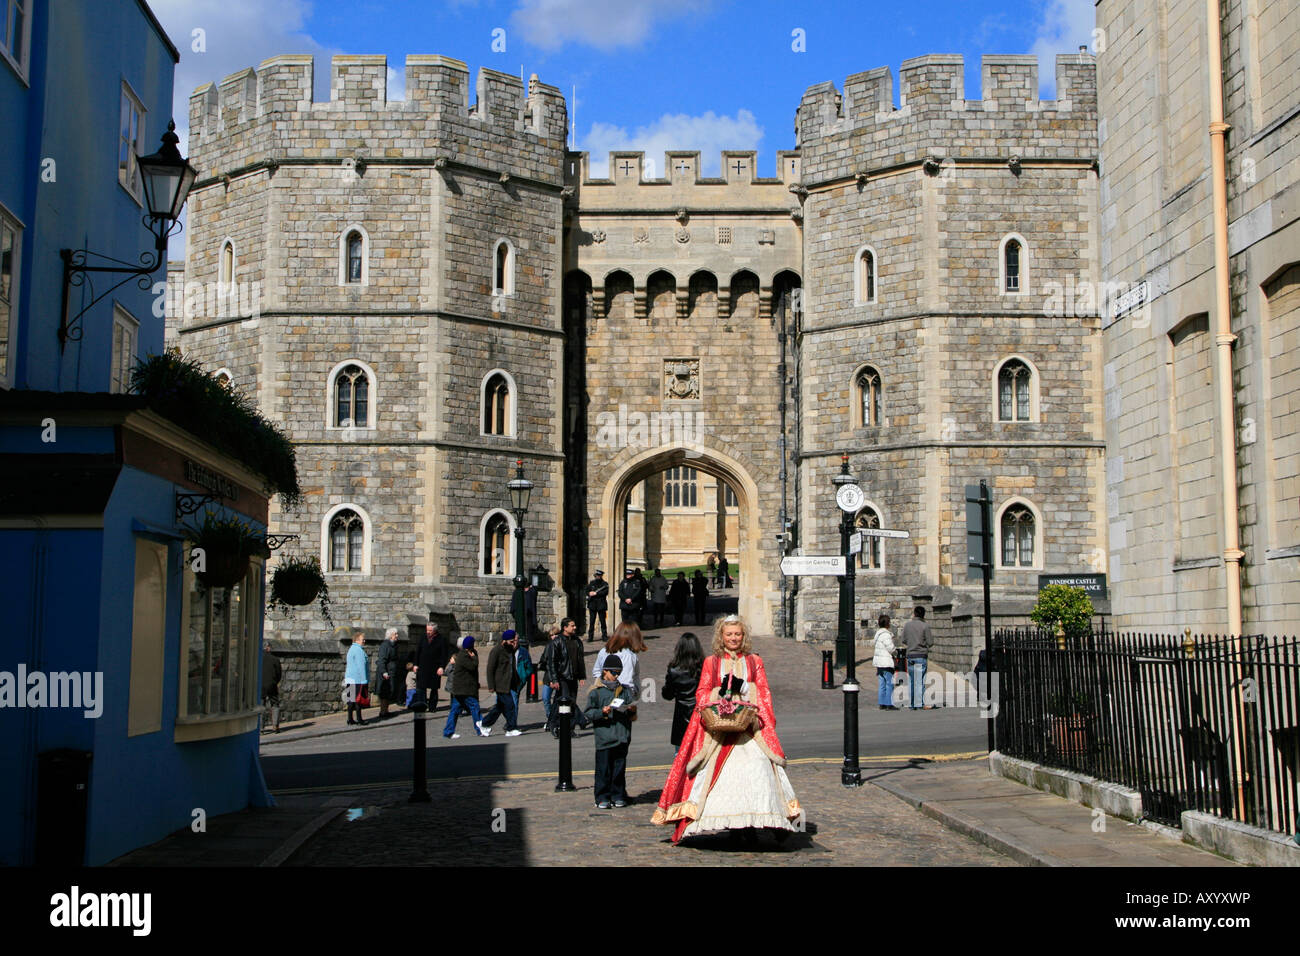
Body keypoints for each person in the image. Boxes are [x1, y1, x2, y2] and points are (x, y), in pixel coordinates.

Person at [652, 615, 802, 844]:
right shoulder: (711, 662)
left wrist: (746, 694)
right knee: (722, 779)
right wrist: (719, 696)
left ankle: (756, 823)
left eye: (737, 634)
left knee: (757, 771)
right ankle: (733, 827)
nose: (734, 638)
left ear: (744, 636)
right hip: (719, 731)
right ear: (721, 637)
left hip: (749, 730)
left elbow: (763, 692)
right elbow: (702, 691)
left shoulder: (754, 661)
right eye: (729, 634)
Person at [584, 656, 633, 809]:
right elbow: (588, 713)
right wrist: (602, 712)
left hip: (621, 735)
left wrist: (630, 710)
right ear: (605, 671)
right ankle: (602, 797)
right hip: (604, 737)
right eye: (614, 672)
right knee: (603, 770)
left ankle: (618, 795)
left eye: (619, 672)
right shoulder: (596, 692)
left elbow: (631, 706)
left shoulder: (624, 690)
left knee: (619, 769)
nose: (616, 676)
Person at [662, 632, 704, 750]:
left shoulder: (674, 670)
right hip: (700, 714)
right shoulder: (703, 668)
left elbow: (667, 695)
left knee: (680, 754)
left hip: (681, 717)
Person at [443, 635, 488, 739]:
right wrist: (474, 658)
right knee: (474, 707)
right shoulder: (463, 655)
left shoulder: (470, 653)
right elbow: (473, 666)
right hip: (464, 689)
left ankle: (448, 731)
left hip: (463, 688)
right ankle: (481, 729)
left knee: (455, 710)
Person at [481, 630, 523, 736]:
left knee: (499, 707)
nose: (513, 643)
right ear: (504, 641)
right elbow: (490, 669)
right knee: (510, 705)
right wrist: (491, 686)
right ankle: (511, 727)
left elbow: (512, 667)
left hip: (509, 683)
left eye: (514, 641)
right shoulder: (496, 651)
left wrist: (516, 681)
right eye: (511, 641)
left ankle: (484, 723)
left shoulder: (510, 650)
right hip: (500, 684)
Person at [557, 617, 590, 733]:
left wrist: (582, 676)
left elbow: (580, 660)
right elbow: (552, 661)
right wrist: (553, 679)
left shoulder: (577, 641)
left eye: (574, 625)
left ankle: (570, 728)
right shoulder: (558, 641)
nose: (575, 627)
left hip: (574, 676)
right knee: (566, 701)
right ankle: (567, 725)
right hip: (563, 677)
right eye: (572, 625)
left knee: (572, 701)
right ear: (565, 628)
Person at [411, 622, 451, 712]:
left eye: (430, 630)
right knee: (421, 687)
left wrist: (442, 667)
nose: (428, 632)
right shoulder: (423, 637)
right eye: (427, 630)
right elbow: (418, 651)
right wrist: (415, 664)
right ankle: (422, 705)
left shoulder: (441, 639)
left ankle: (432, 706)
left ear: (435, 630)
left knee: (434, 688)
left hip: (435, 667)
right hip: (422, 666)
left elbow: (444, 655)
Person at [900, 606, 934, 710]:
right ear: (923, 615)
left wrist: (911, 643)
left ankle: (911, 703)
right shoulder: (925, 626)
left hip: (910, 655)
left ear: (914, 614)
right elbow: (930, 642)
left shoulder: (907, 625)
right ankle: (919, 703)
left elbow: (903, 640)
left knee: (911, 680)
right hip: (921, 655)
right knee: (920, 681)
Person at [537, 625, 566, 733]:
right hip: (548, 677)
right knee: (545, 698)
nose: (553, 637)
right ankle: (551, 718)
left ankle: (554, 720)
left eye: (555, 635)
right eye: (551, 635)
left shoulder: (562, 646)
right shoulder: (548, 646)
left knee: (560, 699)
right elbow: (543, 660)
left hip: (559, 677)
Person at [871, 614, 898, 710]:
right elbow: (890, 648)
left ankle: (882, 703)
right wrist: (896, 652)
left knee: (882, 683)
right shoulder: (886, 635)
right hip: (886, 662)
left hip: (879, 663)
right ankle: (889, 704)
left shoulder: (878, 635)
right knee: (889, 683)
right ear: (887, 624)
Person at [375, 627, 403, 719]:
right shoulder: (385, 645)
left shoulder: (394, 645)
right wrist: (384, 672)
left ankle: (386, 710)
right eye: (395, 634)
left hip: (391, 672)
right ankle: (383, 712)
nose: (397, 636)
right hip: (385, 672)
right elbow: (382, 660)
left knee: (388, 692)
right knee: (384, 693)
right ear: (390, 635)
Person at [344, 631, 369, 726]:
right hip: (358, 679)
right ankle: (359, 719)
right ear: (357, 640)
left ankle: (350, 719)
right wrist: (364, 680)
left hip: (350, 678)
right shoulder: (359, 651)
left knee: (351, 700)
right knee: (358, 700)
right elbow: (361, 666)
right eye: (363, 639)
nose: (364, 641)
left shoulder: (351, 649)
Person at [261, 641, 282, 733]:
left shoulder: (257, 659)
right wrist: (275, 682)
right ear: (268, 648)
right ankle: (275, 726)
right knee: (275, 705)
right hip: (272, 685)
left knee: (261, 706)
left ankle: (261, 728)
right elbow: (279, 674)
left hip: (260, 685)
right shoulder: (275, 659)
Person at [585, 569, 609, 643]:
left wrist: (596, 594)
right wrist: (589, 593)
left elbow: (605, 592)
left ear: (601, 576)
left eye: (599, 576)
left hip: (601, 604)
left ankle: (604, 636)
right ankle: (590, 637)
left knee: (602, 621)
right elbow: (586, 590)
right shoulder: (591, 583)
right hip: (592, 604)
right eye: (596, 576)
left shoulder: (605, 584)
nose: (597, 577)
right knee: (592, 621)